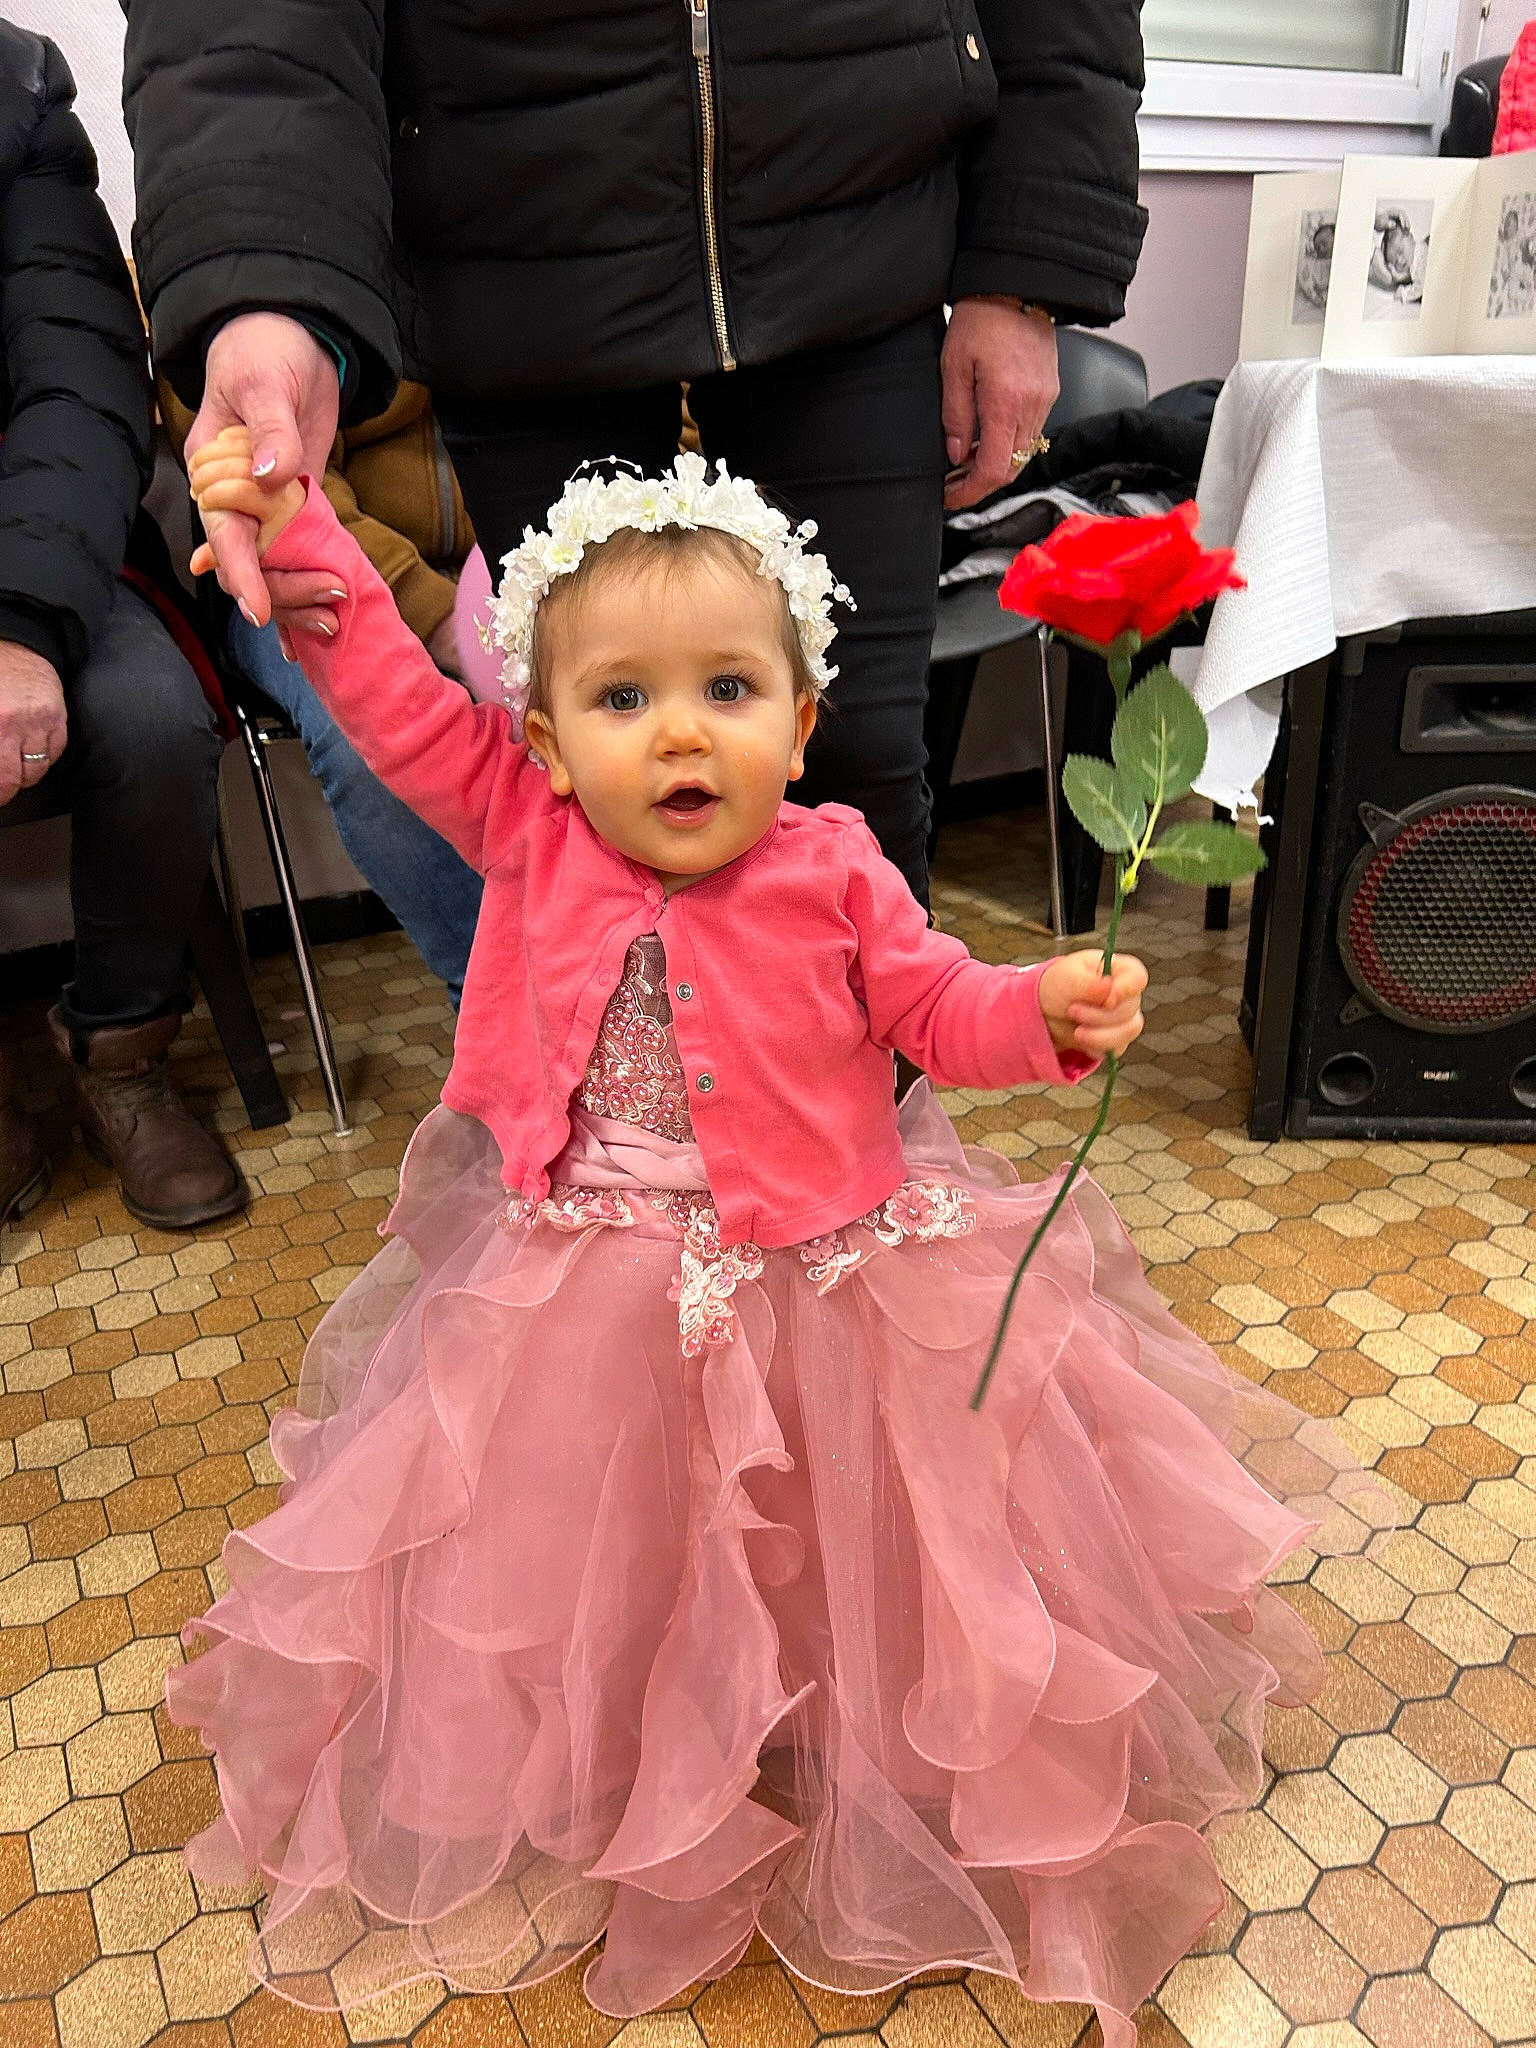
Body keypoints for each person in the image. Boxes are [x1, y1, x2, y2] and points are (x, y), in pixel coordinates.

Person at [165, 429, 1375, 2047]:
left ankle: (838, 1713)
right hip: (588, 1265)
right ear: (541, 734)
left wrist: (1046, 1013)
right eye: (622, 700)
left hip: (832, 1262)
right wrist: (295, 526)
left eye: (729, 690)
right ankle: (631, 1731)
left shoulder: (837, 867)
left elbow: (940, 1003)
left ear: (801, 721)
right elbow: (387, 695)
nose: (680, 731)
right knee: (602, 1529)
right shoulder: (526, 825)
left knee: (850, 1514)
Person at [122, 0, 1149, 905]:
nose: (686, 743)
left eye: (736, 701)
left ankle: (863, 1121)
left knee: (859, 777)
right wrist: (263, 281)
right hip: (515, 251)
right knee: (591, 818)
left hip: (859, 240)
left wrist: (1026, 268)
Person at [0, 22, 241, 1230]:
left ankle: (124, 1054)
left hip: (39, 538)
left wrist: (20, 621)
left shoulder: (15, 87)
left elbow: (81, 374)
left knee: (150, 716)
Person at [163, 379, 485, 1002]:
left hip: (525, 555)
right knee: (362, 731)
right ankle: (491, 1003)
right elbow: (275, 474)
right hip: (304, 563)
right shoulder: (266, 302)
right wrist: (443, 618)